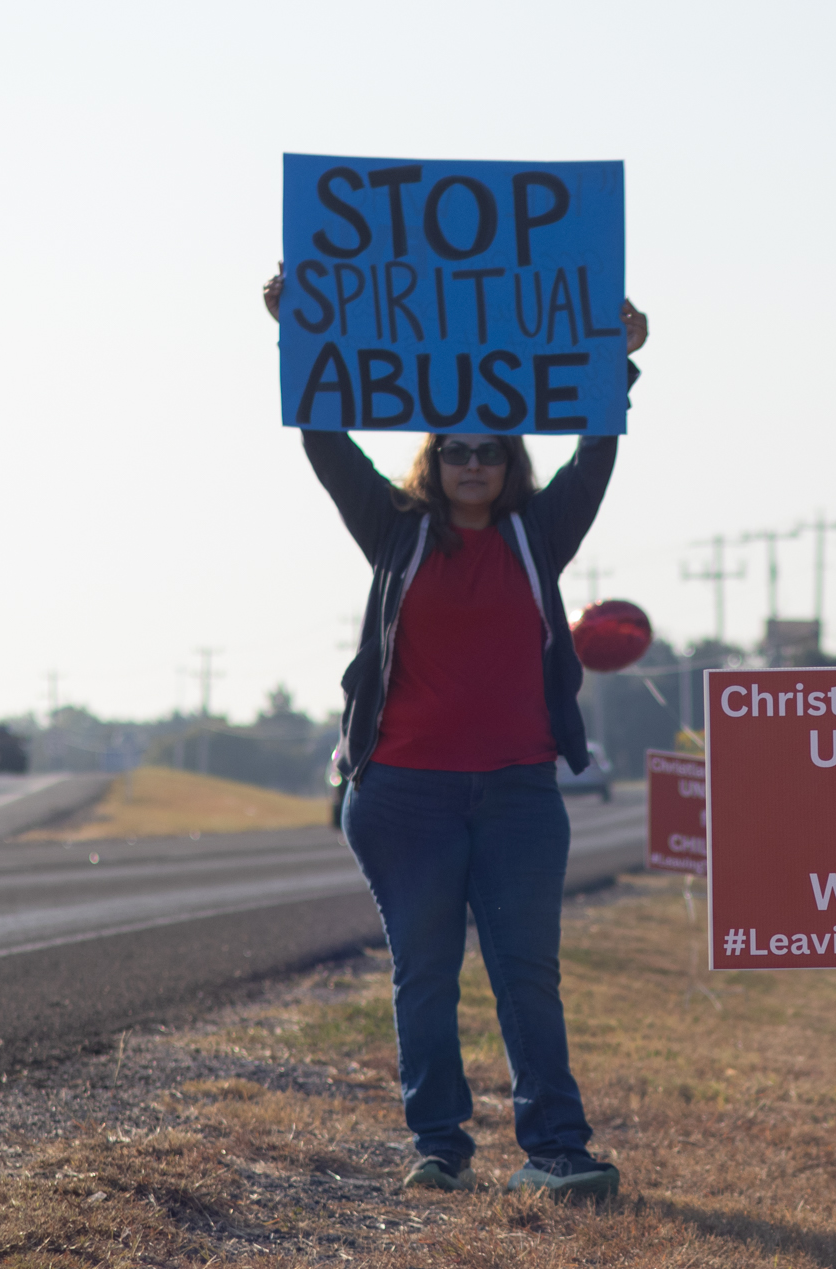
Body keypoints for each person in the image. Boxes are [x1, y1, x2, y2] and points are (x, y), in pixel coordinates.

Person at [263, 268, 646, 1199]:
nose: (473, 462)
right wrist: (299, 330)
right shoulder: (392, 531)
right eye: (455, 450)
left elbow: (595, 453)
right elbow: (326, 440)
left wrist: (617, 364)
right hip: (403, 794)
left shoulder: (537, 533)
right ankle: (440, 1145)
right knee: (424, 976)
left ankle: (557, 1150)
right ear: (431, 461)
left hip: (517, 792)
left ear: (511, 462)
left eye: (490, 450)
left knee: (527, 975)